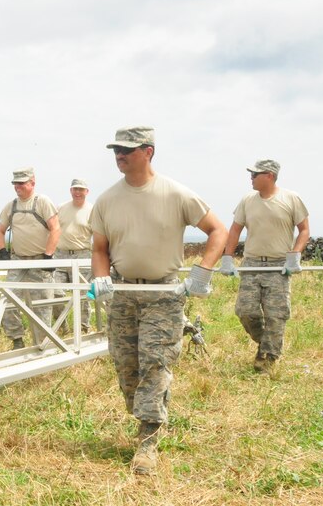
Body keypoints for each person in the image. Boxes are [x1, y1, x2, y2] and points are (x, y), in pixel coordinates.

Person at [89, 126, 227, 476]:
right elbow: (100, 249)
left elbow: (218, 232)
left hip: (164, 294)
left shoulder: (175, 194)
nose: (119, 155)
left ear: (148, 152)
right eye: (116, 149)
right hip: (123, 294)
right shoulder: (106, 200)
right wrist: (101, 277)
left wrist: (201, 273)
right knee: (126, 365)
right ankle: (146, 413)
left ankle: (148, 441)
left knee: (155, 361)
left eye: (127, 149)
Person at [220, 159, 310, 373]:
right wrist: (228, 258)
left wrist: (295, 255)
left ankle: (266, 360)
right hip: (251, 264)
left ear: (269, 175)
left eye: (255, 174)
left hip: (279, 266)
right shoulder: (247, 201)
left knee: (276, 315)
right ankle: (267, 342)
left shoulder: (291, 199)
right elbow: (235, 230)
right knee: (245, 311)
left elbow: (304, 230)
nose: (251, 178)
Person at [0, 167, 61, 349]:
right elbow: (0, 231)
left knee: (42, 305)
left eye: (22, 183)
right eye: (15, 183)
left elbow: (55, 228)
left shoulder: (42, 202)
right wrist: (2, 251)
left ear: (32, 182)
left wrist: (48, 256)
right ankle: (17, 340)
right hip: (18, 260)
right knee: (8, 300)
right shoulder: (11, 206)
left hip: (40, 261)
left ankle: (42, 345)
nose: (18, 186)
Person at [53, 179, 95, 333]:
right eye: (75, 189)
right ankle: (62, 328)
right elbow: (53, 230)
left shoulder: (92, 210)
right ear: (70, 191)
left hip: (82, 255)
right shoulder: (60, 208)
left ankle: (84, 329)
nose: (78, 192)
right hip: (60, 256)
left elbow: (98, 235)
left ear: (87, 192)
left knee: (83, 296)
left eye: (81, 189)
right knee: (56, 293)